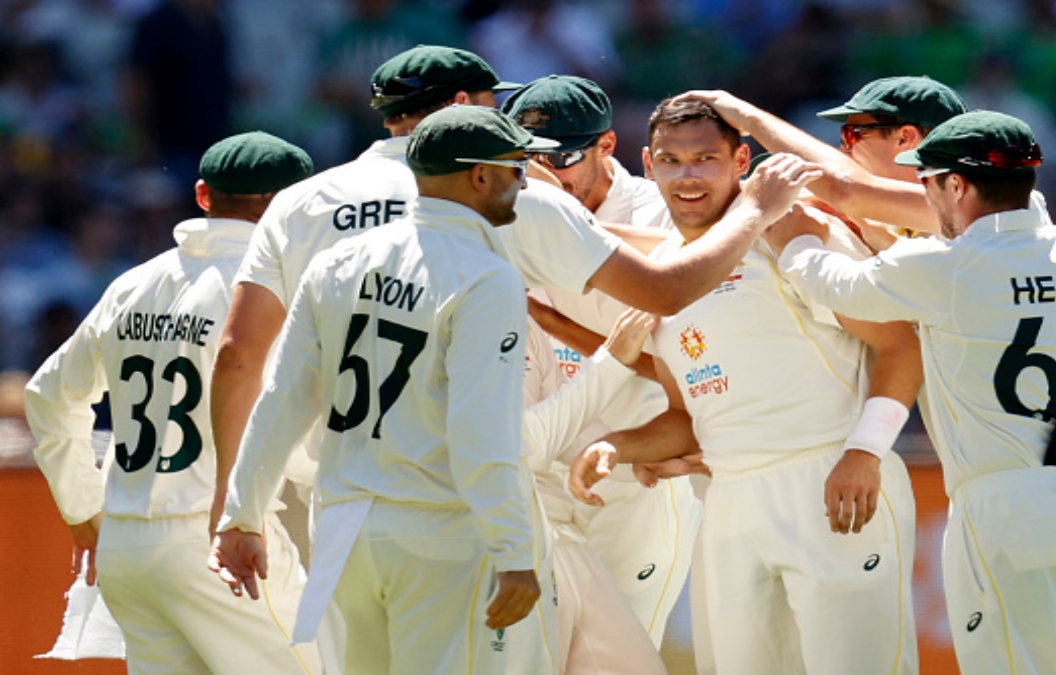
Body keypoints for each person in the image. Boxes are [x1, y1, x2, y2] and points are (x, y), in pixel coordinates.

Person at [692, 86, 1056, 675]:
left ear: (936, 166)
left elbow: (845, 208)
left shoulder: (947, 258)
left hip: (1014, 494)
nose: (840, 149)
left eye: (854, 137)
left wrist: (770, 174)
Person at [572, 98, 923, 675]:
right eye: (671, 160)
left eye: (705, 158)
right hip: (729, 499)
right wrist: (618, 446)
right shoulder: (663, 273)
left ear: (741, 160)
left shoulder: (789, 228)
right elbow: (690, 418)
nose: (688, 176)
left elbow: (898, 343)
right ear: (648, 163)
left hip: (832, 480)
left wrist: (865, 450)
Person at [776, 110, 1056, 674]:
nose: (923, 193)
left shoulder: (948, 266)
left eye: (926, 180)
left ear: (957, 185)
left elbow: (833, 283)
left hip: (1008, 508)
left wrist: (796, 241)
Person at [209, 106, 552, 674]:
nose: (526, 178)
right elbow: (480, 431)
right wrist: (514, 551)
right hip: (438, 529)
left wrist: (242, 514)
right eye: (517, 164)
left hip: (344, 528)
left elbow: (283, 397)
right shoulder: (487, 276)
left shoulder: (338, 262)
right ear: (480, 175)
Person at [25, 131, 318, 674]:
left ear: (203, 195)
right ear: (297, 208)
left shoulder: (134, 282)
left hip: (127, 545)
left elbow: (46, 397)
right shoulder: (273, 290)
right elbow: (297, 431)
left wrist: (82, 507)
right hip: (218, 539)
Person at [502, 74, 701, 648]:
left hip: (632, 476)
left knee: (625, 651)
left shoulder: (662, 214)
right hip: (539, 471)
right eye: (527, 158)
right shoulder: (513, 211)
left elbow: (673, 358)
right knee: (536, 655)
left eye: (561, 157)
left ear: (607, 146)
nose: (545, 174)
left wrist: (565, 324)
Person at [522, 309, 671, 675]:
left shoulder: (515, 313)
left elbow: (568, 428)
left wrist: (631, 454)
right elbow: (521, 444)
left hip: (557, 537)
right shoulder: (456, 305)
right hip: (495, 539)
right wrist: (612, 360)